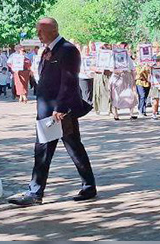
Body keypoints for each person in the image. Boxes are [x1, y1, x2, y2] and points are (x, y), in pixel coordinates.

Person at [8, 17, 97, 206]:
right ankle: (86, 186)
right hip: (47, 109)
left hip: (59, 111)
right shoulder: (46, 50)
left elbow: (69, 81)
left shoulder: (68, 50)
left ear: (54, 30)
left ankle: (37, 192)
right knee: (55, 149)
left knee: (59, 149)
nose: (38, 34)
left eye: (41, 31)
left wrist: (61, 108)